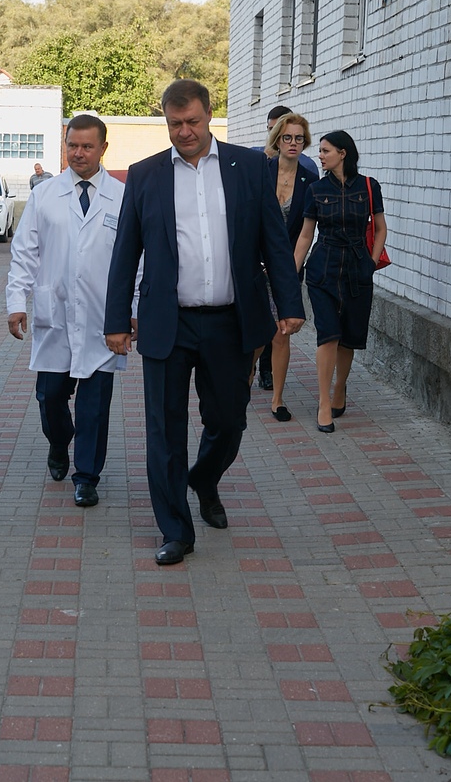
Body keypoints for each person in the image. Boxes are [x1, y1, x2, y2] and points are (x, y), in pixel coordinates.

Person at [105, 80, 305, 566]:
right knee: (164, 430)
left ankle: (205, 478)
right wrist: (115, 320)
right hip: (167, 323)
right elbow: (125, 252)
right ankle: (175, 530)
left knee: (229, 421)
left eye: (192, 121)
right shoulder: (146, 175)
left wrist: (289, 303)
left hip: (229, 322)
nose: (184, 131)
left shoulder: (249, 167)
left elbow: (274, 241)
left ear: (210, 114)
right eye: (175, 124)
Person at [7, 115, 129, 508]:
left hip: (103, 319)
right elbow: (24, 254)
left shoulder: (123, 197)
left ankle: (87, 476)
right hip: (54, 315)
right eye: (72, 145)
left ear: (103, 148)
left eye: (87, 146)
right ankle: (59, 443)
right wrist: (16, 303)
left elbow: (138, 259)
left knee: (95, 407)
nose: (78, 153)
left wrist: (133, 309)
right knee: (50, 398)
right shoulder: (45, 195)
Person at [293, 130, 388, 434]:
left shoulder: (369, 186)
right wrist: (291, 275)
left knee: (349, 336)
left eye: (326, 151)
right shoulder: (316, 190)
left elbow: (381, 228)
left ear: (343, 153)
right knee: (328, 334)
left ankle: (339, 387)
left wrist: (370, 262)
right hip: (324, 267)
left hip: (358, 268)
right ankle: (324, 403)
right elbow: (306, 235)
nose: (320, 156)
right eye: (320, 151)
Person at [254, 105, 318, 390]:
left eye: (299, 138)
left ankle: (276, 396)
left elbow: (305, 234)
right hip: (256, 264)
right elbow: (249, 222)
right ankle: (246, 377)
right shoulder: (260, 172)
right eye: (287, 137)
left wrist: (287, 271)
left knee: (282, 330)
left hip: (289, 264)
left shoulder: (310, 181)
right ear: (277, 140)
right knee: (257, 329)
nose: (293, 143)